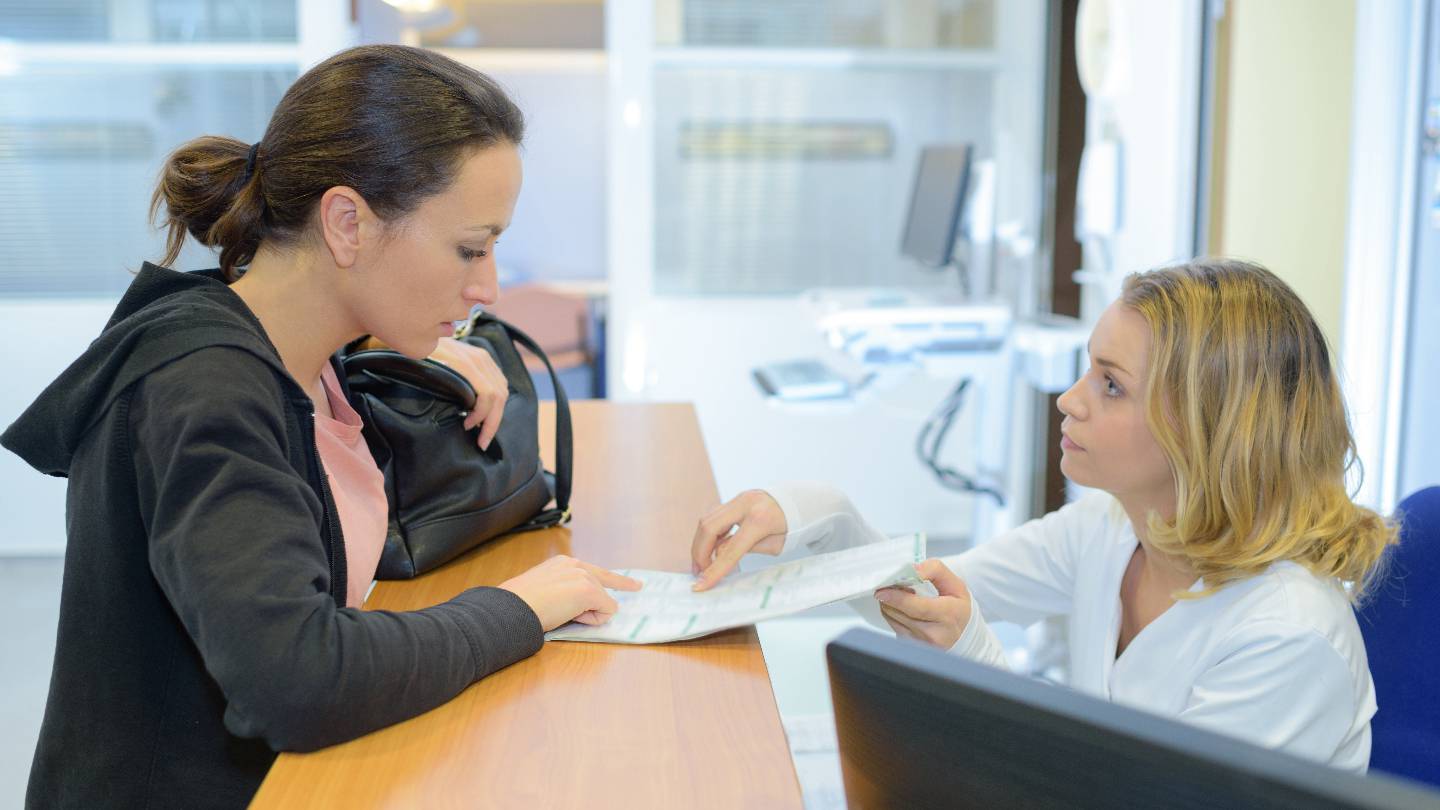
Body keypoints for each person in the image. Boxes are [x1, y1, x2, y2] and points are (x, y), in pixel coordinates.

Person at [1, 44, 638, 809]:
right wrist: (520, 610)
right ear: (346, 224)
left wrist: (408, 349)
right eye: (470, 248)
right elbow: (298, 680)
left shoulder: (300, 352)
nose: (488, 287)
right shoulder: (206, 390)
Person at [690, 259, 1397, 772]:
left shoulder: (1287, 636)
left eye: (1111, 385)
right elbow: (922, 599)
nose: (1069, 399)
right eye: (1090, 370)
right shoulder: (1114, 529)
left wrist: (974, 656)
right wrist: (822, 515)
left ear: (1209, 429)